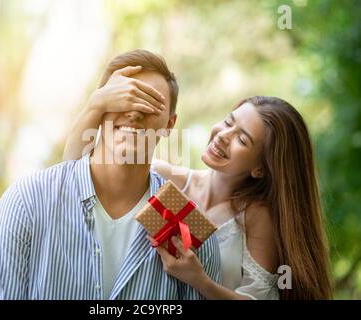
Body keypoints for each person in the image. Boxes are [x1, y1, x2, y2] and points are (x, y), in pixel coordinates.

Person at [0, 49, 221, 300]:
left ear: (170, 124)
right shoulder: (27, 201)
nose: (135, 112)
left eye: (150, 103)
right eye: (123, 98)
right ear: (101, 107)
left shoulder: (189, 229)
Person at [64, 90, 333, 299]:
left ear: (260, 168)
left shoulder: (254, 216)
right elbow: (77, 170)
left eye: (242, 139)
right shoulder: (165, 180)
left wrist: (200, 280)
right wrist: (96, 105)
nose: (223, 136)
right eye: (229, 122)